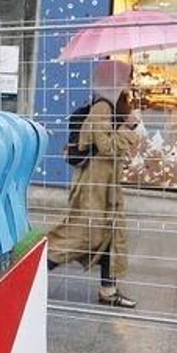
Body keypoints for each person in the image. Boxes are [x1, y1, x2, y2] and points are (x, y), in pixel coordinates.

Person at [48, 60, 146, 308]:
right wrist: (132, 131)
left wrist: (126, 122)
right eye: (126, 79)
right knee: (81, 234)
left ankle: (108, 290)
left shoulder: (112, 107)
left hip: (106, 185)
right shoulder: (102, 108)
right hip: (93, 185)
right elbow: (107, 146)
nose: (129, 84)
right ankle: (32, 273)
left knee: (110, 234)